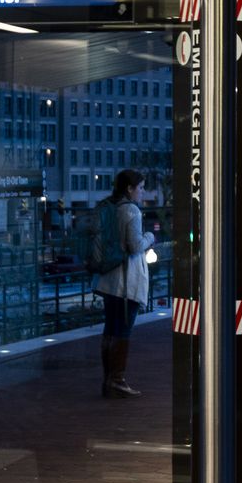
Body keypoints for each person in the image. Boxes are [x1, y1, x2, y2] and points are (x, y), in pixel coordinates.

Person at [93, 169, 156, 398]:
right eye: (140, 187)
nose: (142, 192)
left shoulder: (107, 206)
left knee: (110, 330)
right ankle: (117, 380)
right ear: (129, 189)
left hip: (107, 279)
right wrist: (151, 237)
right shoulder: (131, 210)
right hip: (125, 283)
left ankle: (108, 380)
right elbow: (135, 245)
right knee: (123, 332)